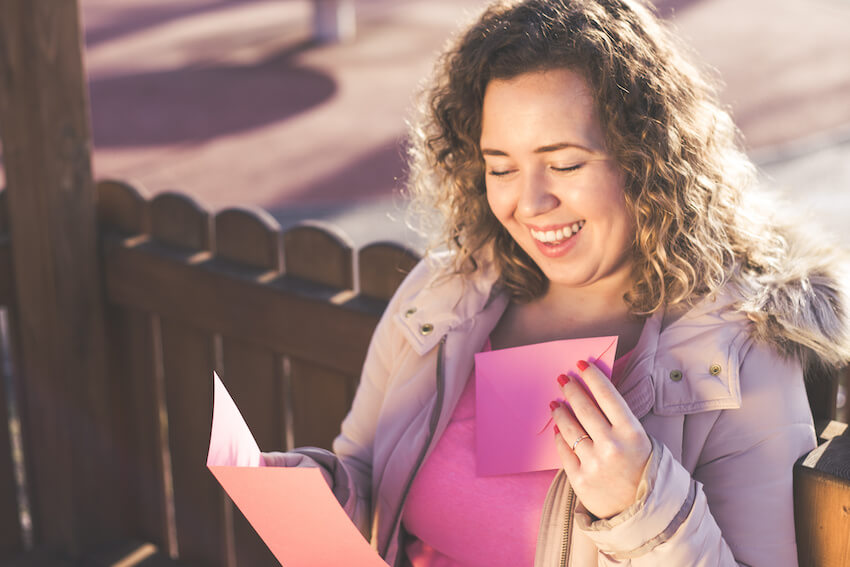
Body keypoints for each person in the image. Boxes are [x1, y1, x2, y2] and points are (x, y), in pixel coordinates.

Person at [265, 0, 850, 565]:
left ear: (644, 157)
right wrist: (325, 491)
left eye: (565, 163)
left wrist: (640, 507)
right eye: (501, 167)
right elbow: (362, 472)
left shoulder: (740, 350)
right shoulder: (442, 293)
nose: (531, 202)